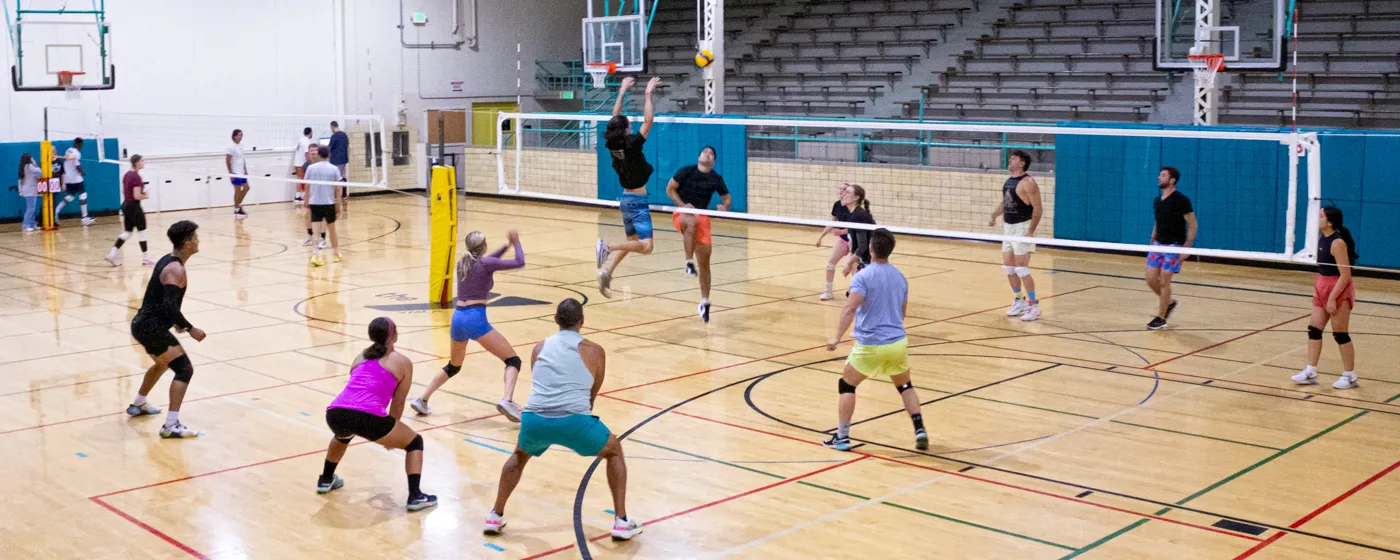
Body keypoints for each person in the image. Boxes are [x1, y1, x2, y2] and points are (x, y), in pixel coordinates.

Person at [483, 298, 642, 541]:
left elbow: (541, 382)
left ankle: (495, 516)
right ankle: (621, 521)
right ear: (582, 321)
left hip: (534, 419)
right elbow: (591, 394)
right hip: (574, 421)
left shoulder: (539, 347)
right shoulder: (596, 350)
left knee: (519, 455)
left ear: (555, 319)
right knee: (614, 450)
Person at [318, 317, 438, 512]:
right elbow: (398, 402)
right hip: (367, 416)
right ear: (392, 335)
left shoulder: (360, 357)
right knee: (415, 442)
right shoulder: (403, 362)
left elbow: (355, 389)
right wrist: (392, 436)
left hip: (335, 412)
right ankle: (415, 496)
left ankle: (325, 479)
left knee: (343, 435)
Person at [824, 229, 927, 452]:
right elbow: (902, 312)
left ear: (871, 250)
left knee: (847, 385)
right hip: (897, 342)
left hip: (871, 344)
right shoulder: (900, 277)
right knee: (905, 386)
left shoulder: (863, 277)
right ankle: (920, 428)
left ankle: (842, 437)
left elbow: (850, 308)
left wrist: (837, 337)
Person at [410, 230, 526, 421]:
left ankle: (422, 399)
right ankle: (507, 400)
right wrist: (516, 243)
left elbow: (489, 260)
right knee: (513, 361)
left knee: (453, 366)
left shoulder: (462, 263)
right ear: (484, 246)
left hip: (458, 319)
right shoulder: (486, 264)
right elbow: (519, 262)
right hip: (475, 319)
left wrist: (506, 246)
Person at [124, 221, 206, 439]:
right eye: (195, 237)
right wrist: (190, 328)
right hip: (151, 327)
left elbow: (164, 304)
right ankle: (171, 425)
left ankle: (139, 404)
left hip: (143, 324)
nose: (198, 240)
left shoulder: (168, 261)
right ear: (187, 243)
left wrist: (176, 322)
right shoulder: (175, 269)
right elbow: (169, 306)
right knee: (184, 369)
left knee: (162, 363)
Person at [595, 76, 662, 298]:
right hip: (637, 202)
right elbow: (648, 121)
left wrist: (622, 90)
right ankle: (607, 247)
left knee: (633, 243)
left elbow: (615, 117)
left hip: (625, 200)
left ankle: (608, 273)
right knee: (647, 247)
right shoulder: (632, 145)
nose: (630, 125)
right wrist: (647, 94)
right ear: (625, 130)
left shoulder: (612, 143)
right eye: (628, 125)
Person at [1292, 206, 1361, 390]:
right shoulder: (1322, 238)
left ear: (1329, 222)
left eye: (1321, 216)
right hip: (1322, 284)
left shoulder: (1337, 243)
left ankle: (1350, 376)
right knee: (1314, 329)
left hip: (1338, 287)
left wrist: (1332, 298)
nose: (1318, 218)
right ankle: (1310, 371)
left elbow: (1345, 275)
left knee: (1340, 333)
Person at [666, 145, 732, 323]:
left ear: (714, 161)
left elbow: (727, 198)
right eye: (705, 151)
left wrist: (724, 207)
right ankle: (688, 262)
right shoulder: (686, 171)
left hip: (703, 216)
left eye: (711, 153)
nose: (708, 154)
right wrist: (682, 205)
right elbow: (670, 189)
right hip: (682, 214)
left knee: (705, 262)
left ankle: (704, 302)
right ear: (699, 156)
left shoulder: (716, 178)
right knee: (691, 221)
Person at [988, 150, 1043, 322]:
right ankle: (1018, 300)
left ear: (1022, 163)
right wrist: (994, 215)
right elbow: (1006, 201)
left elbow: (1038, 208)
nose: (1009, 161)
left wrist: (1030, 231)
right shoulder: (1009, 181)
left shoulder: (1028, 182)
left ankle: (1033, 305)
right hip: (1008, 229)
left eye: (1013, 159)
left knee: (1022, 269)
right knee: (1009, 268)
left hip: (1022, 228)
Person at [1145, 166, 1197, 330]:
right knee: (1151, 279)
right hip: (1158, 245)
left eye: (1163, 175)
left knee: (1165, 279)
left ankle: (1161, 318)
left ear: (1172, 180)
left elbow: (1193, 224)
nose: (1159, 178)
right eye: (1159, 175)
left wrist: (1187, 248)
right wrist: (1152, 239)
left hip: (1174, 246)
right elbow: (1157, 222)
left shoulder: (1181, 200)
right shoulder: (1157, 200)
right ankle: (1169, 302)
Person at [105, 155, 156, 267]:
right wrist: (145, 196)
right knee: (142, 231)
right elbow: (136, 196)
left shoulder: (127, 175)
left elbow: (127, 192)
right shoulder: (136, 177)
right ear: (136, 162)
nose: (144, 162)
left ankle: (112, 253)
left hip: (126, 205)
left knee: (127, 232)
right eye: (142, 160)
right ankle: (146, 258)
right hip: (134, 206)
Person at [816, 184, 856, 300]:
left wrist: (841, 232)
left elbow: (856, 227)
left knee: (854, 268)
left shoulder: (856, 209)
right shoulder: (837, 205)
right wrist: (821, 237)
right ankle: (828, 292)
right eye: (840, 189)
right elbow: (832, 222)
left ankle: (854, 294)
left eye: (845, 190)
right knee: (830, 264)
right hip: (843, 240)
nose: (841, 191)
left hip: (856, 240)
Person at [304, 146, 343, 266]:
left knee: (315, 232)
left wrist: (306, 202)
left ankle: (315, 256)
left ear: (319, 155)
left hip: (315, 203)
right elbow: (338, 188)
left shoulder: (311, 168)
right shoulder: (334, 169)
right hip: (328, 203)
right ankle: (336, 254)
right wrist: (339, 204)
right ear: (329, 155)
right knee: (332, 231)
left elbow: (307, 187)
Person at [54, 137, 95, 226]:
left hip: (68, 179)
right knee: (83, 195)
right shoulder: (77, 153)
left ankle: (57, 210)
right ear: (79, 144)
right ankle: (84, 217)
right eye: (81, 145)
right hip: (75, 178)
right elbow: (77, 166)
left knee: (71, 197)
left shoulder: (68, 150)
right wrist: (82, 171)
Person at [226, 129, 250, 219]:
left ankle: (238, 206)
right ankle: (237, 209)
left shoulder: (241, 146)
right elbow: (227, 160)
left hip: (242, 172)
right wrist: (231, 173)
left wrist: (245, 169)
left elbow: (242, 159)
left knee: (247, 188)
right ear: (234, 136)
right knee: (237, 191)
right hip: (235, 172)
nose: (241, 137)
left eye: (241, 135)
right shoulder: (231, 147)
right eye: (239, 135)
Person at [328, 121, 350, 217]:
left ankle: (335, 197)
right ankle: (344, 195)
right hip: (344, 160)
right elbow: (348, 147)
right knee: (343, 177)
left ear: (332, 127)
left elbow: (329, 148)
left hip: (335, 161)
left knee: (336, 179)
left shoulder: (334, 136)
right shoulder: (344, 135)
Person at [18, 153, 40, 232]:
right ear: (29, 159)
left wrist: (20, 190)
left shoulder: (23, 167)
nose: (33, 159)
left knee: (32, 208)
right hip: (30, 191)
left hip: (28, 190)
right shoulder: (30, 167)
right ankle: (26, 225)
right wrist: (36, 164)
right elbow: (40, 173)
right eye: (32, 158)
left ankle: (32, 224)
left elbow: (20, 180)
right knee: (30, 209)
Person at [293, 127, 314, 207]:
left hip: (297, 162)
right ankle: (300, 196)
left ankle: (298, 196)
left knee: (299, 179)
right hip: (301, 163)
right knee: (303, 180)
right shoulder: (306, 141)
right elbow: (306, 153)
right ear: (310, 133)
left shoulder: (301, 140)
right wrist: (311, 162)